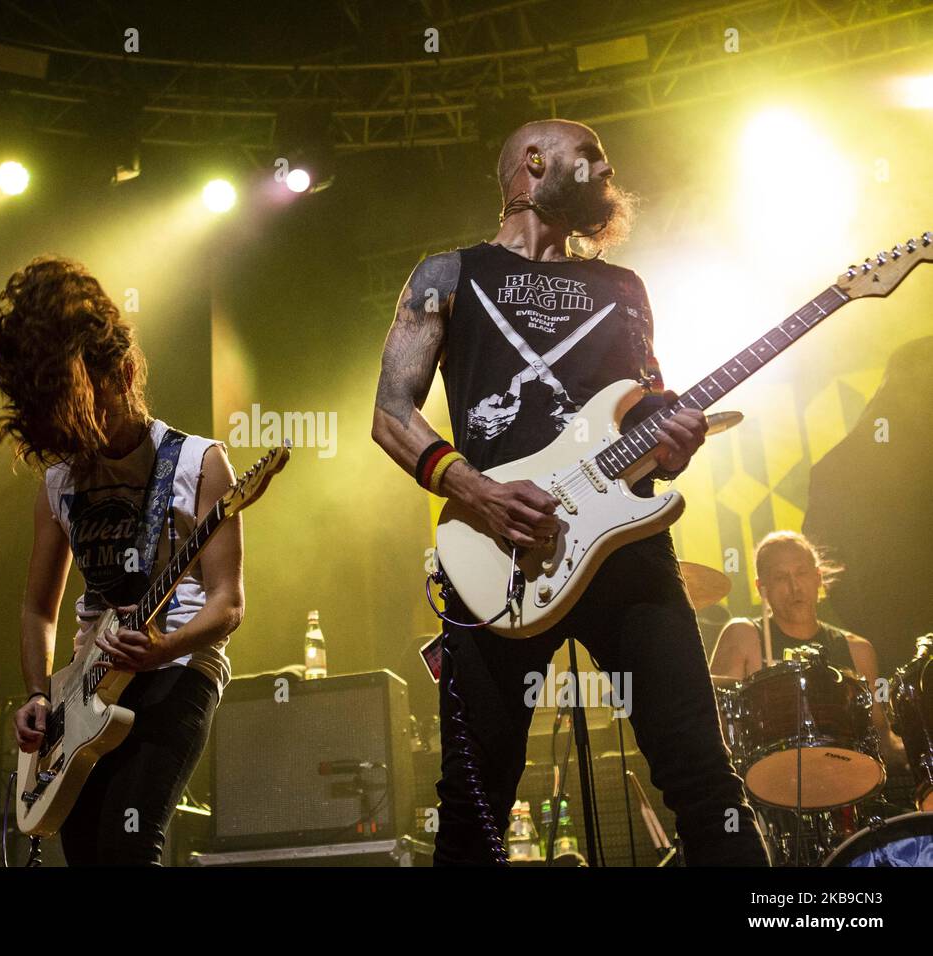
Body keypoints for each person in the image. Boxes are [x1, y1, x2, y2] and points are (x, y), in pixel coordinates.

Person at [371, 118, 769, 865]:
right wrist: (479, 492)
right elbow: (391, 413)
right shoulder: (446, 276)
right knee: (474, 802)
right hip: (499, 555)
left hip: (630, 556)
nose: (606, 178)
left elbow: (646, 410)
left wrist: (674, 444)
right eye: (592, 162)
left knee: (702, 777)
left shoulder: (625, 287)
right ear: (533, 163)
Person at [0, 255, 244, 864]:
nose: (78, 433)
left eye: (87, 405)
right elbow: (37, 608)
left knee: (129, 845)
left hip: (180, 667)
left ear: (123, 374)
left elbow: (228, 604)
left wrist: (163, 649)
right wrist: (40, 695)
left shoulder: (200, 463)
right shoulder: (60, 482)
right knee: (87, 854)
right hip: (85, 688)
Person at [709, 530, 906, 767]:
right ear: (762, 587)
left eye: (801, 573)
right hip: (768, 780)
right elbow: (715, 728)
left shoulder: (857, 650)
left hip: (845, 778)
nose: (795, 587)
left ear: (818, 577)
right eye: (781, 577)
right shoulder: (743, 636)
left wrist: (918, 751)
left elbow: (881, 736)